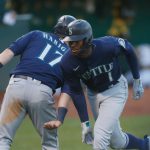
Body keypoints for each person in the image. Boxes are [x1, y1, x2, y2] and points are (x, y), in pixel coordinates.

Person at [44, 19, 149, 150]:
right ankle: (146, 145)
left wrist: (137, 79)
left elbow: (127, 48)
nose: (72, 45)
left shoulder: (107, 45)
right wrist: (85, 124)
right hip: (93, 94)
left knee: (100, 135)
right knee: (116, 142)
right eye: (70, 41)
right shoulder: (67, 61)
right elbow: (76, 92)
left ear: (87, 39)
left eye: (76, 41)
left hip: (115, 90)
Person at [0, 15, 93, 150]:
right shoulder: (72, 57)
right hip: (42, 92)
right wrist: (60, 118)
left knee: (2, 139)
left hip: (16, 84)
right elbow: (67, 91)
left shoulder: (36, 34)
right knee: (50, 145)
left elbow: (7, 53)